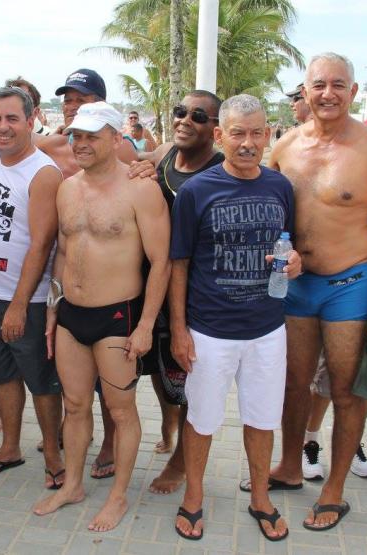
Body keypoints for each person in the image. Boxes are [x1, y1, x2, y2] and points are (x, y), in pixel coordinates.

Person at [255, 52, 367, 531]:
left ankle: (335, 488)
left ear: (354, 91)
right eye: (319, 84)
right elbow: (255, 196)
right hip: (296, 286)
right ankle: (290, 466)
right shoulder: (285, 147)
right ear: (305, 90)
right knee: (293, 384)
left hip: (351, 284)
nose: (328, 94)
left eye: (339, 85)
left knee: (345, 390)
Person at [32, 101, 170, 532]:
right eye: (77, 135)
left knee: (121, 409)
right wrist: (54, 306)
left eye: (93, 135)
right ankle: (72, 484)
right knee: (74, 405)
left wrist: (146, 325)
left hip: (118, 316)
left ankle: (117, 495)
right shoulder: (67, 187)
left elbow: (161, 262)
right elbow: (63, 253)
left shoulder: (140, 189)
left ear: (115, 138)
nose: (82, 143)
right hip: (72, 314)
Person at [169, 94, 301, 542]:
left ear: (268, 134)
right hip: (210, 331)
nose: (248, 143)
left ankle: (261, 497)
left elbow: (289, 245)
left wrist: (295, 262)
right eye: (238, 134)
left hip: (267, 329)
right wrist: (179, 331)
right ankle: (193, 496)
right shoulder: (195, 192)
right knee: (202, 419)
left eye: (257, 132)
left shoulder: (279, 187)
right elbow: (179, 264)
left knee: (263, 418)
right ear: (221, 136)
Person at [0, 86, 65, 489]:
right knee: (2, 376)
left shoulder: (42, 173)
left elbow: (42, 245)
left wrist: (18, 305)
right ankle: (10, 446)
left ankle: (55, 456)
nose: (2, 127)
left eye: (12, 119)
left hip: (23, 300)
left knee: (40, 381)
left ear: (32, 121)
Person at [134, 90, 225, 495]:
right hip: (152, 278)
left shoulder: (222, 171)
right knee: (158, 364)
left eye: (199, 116)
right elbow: (121, 166)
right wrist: (135, 170)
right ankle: (169, 421)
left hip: (195, 287)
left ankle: (181, 462)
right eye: (180, 111)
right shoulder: (165, 153)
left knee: (189, 371)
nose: (186, 120)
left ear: (215, 128)